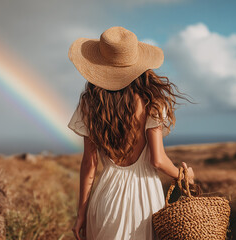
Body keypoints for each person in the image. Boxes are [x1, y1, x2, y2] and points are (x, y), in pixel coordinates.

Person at [67, 26, 195, 240]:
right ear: (139, 65)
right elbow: (157, 160)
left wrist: (81, 213)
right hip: (144, 198)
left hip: (104, 199)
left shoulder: (90, 104)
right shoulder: (152, 102)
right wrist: (184, 176)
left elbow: (89, 165)